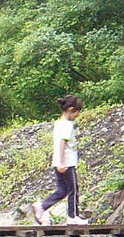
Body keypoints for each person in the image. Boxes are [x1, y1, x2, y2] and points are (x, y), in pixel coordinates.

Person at [31, 95, 89, 226]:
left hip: (57, 162)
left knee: (62, 190)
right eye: (77, 112)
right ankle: (73, 216)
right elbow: (62, 143)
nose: (77, 115)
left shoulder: (58, 124)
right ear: (71, 109)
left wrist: (59, 162)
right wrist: (63, 162)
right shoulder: (67, 125)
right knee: (73, 189)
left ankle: (41, 206)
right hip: (67, 163)